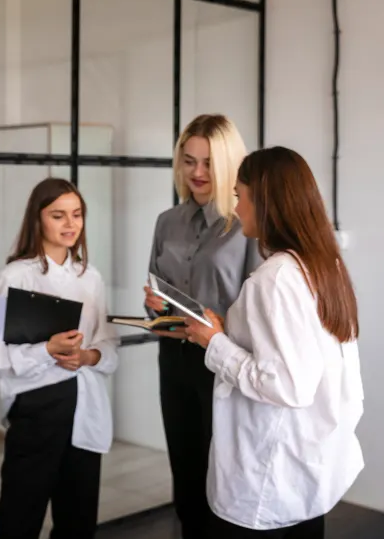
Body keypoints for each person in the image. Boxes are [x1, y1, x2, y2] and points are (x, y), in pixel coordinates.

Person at [185, 147, 364, 539]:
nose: (236, 209)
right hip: (307, 467)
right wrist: (223, 331)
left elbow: (286, 384)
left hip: (269, 473)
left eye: (239, 196)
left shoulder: (277, 278)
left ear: (264, 202)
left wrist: (214, 343)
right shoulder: (324, 266)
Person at [0, 178, 119, 539]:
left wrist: (88, 355)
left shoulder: (92, 278)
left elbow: (110, 346)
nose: (70, 224)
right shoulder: (9, 278)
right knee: (19, 520)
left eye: (77, 215)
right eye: (58, 215)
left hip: (85, 408)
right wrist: (46, 350)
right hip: (37, 409)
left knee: (78, 522)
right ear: (37, 220)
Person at [143, 113, 259, 538]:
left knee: (224, 474)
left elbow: (261, 307)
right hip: (173, 358)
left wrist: (219, 328)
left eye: (208, 163)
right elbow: (157, 290)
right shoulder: (166, 222)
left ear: (228, 164)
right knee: (186, 472)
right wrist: (155, 305)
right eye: (188, 161)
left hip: (223, 363)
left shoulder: (247, 227)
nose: (196, 173)